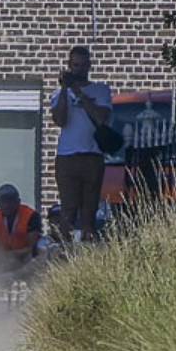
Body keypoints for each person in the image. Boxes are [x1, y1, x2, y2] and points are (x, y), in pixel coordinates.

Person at [49, 44, 112, 243]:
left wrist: (79, 92)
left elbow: (101, 117)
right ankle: (65, 249)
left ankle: (87, 247)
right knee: (68, 209)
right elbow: (60, 120)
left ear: (89, 66)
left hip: (92, 156)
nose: (78, 70)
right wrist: (65, 90)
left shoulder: (100, 90)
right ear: (69, 66)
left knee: (89, 210)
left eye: (83, 66)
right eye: (75, 65)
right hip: (67, 157)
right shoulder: (59, 95)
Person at [0, 184, 43, 284]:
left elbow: (33, 248)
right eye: (4, 202)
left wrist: (13, 255)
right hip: (2, 259)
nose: (7, 205)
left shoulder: (30, 216)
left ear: (18, 202)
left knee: (36, 264)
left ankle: (36, 298)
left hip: (24, 259)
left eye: (10, 201)